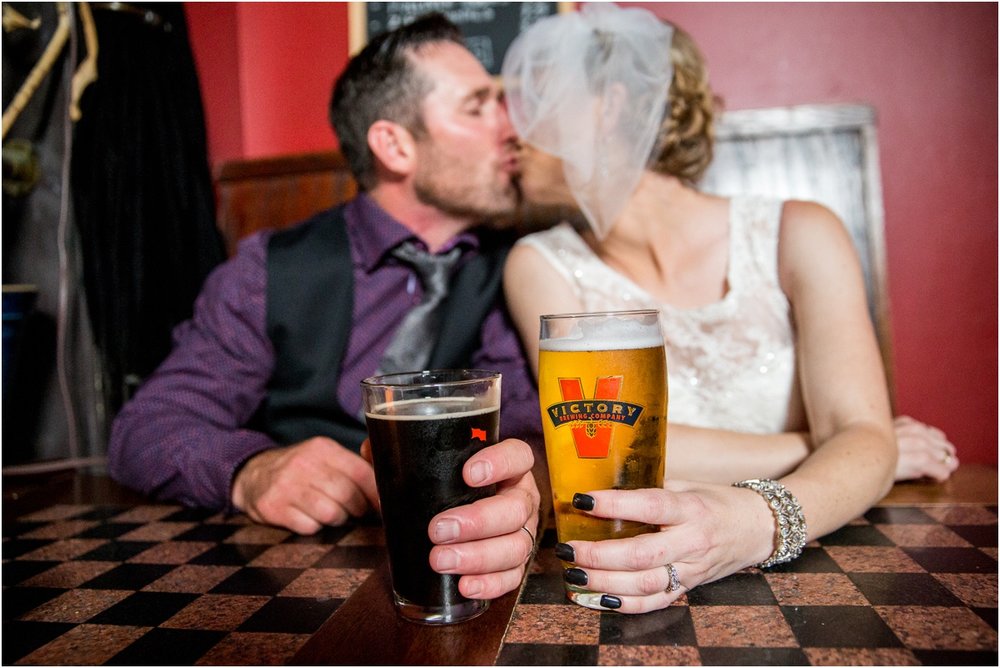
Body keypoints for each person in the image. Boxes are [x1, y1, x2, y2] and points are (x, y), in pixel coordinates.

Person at [500, 4, 957, 613]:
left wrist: (763, 518)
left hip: (824, 563)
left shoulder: (800, 234)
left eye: (538, 98)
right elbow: (597, 451)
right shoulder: (537, 263)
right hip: (639, 569)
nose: (512, 129)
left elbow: (862, 435)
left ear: (608, 107)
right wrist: (837, 446)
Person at [109, 14, 541, 602]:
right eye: (477, 106)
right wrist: (250, 470)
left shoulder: (522, 270)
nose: (510, 128)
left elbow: (531, 418)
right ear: (395, 145)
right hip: (282, 586)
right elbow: (147, 427)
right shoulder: (272, 269)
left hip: (461, 576)